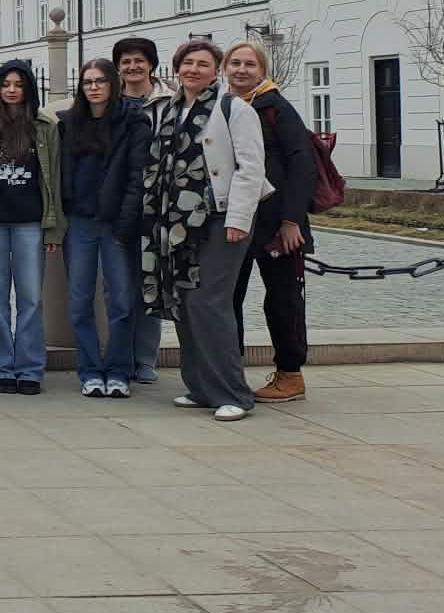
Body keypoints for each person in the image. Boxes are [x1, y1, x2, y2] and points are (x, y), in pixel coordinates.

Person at [142, 40, 267, 422]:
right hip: (176, 223)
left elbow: (250, 168)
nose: (194, 70)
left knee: (209, 302)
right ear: (177, 69)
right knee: (184, 300)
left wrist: (238, 220)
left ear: (217, 71)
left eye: (203, 64)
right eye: (187, 63)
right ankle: (199, 385)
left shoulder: (234, 109)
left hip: (219, 217)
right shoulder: (172, 110)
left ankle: (232, 392)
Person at [224, 40, 315, 404]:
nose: (242, 70)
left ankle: (290, 374)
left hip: (279, 224)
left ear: (262, 71)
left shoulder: (276, 107)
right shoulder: (225, 107)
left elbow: (301, 165)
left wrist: (292, 220)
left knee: (283, 301)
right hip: (239, 220)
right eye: (235, 63)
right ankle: (230, 371)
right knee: (229, 299)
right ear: (225, 68)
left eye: (250, 64)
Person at [0, 60, 64, 395]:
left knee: (31, 298)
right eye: (5, 84)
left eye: (18, 84)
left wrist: (54, 228)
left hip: (30, 222)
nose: (11, 90)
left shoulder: (45, 126)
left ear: (28, 89)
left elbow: (55, 179)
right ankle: (3, 367)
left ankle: (31, 368)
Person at [58, 59, 146, 397]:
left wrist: (126, 221)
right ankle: (90, 370)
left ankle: (119, 370)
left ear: (113, 84)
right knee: (80, 301)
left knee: (122, 300)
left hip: (116, 224)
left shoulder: (133, 122)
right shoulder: (68, 124)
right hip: (79, 222)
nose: (93, 87)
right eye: (87, 82)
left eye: (100, 81)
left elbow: (137, 175)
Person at [113, 35, 173, 384]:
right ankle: (121, 357)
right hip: (119, 206)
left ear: (151, 64)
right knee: (121, 289)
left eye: (139, 60)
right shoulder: (112, 104)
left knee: (151, 285)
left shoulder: (169, 101)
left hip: (157, 205)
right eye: (126, 61)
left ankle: (145, 358)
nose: (133, 66)